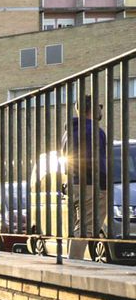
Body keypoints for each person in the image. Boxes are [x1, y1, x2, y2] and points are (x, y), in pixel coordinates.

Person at [63, 94, 108, 261]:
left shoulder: (69, 132)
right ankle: (73, 268)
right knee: (85, 229)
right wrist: (104, 186)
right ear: (92, 109)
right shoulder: (95, 131)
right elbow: (98, 163)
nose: (101, 108)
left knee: (78, 227)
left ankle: (73, 262)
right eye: (99, 105)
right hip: (90, 185)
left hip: (74, 183)